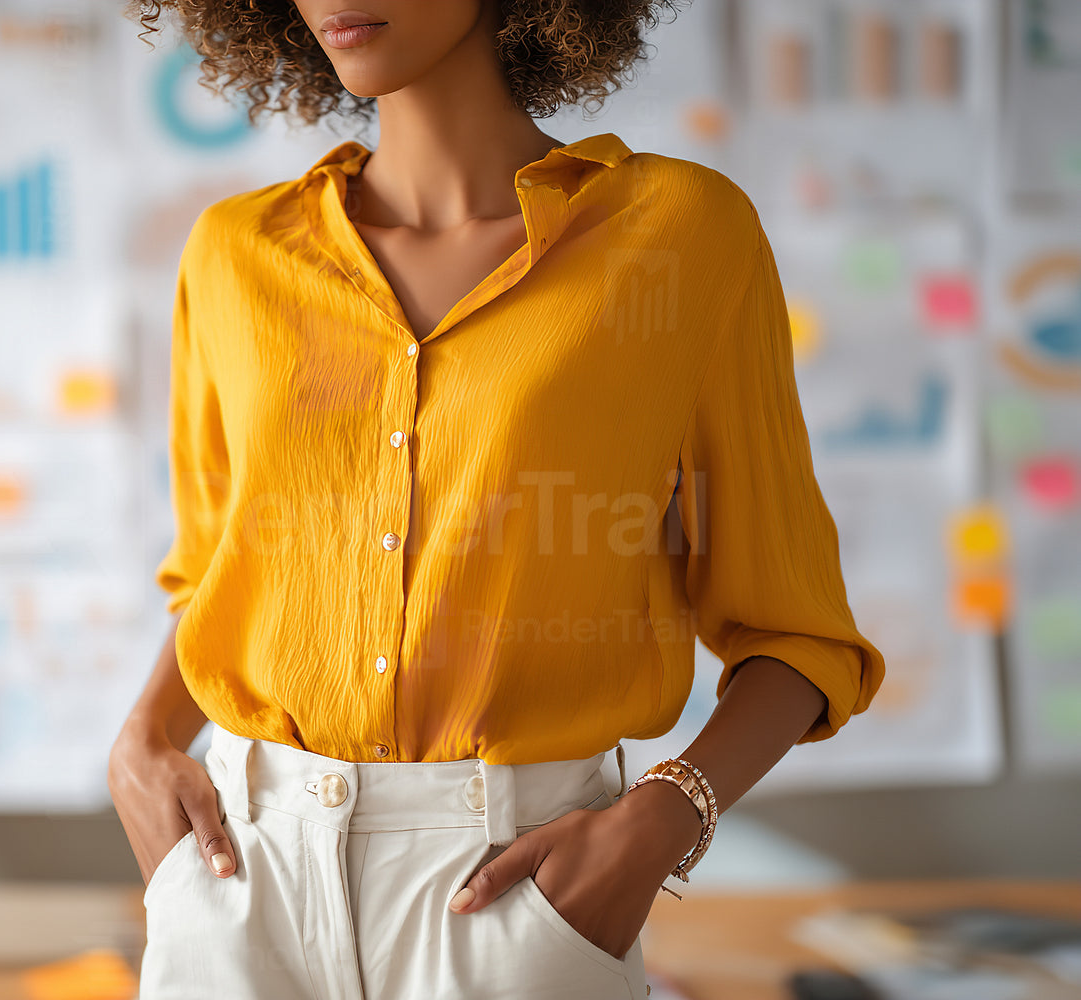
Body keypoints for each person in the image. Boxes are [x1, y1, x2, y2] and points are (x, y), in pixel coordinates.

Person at [109, 2, 886, 998]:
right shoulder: (233, 253)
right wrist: (140, 740)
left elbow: (798, 631)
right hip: (241, 879)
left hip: (515, 889)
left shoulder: (681, 237)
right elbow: (221, 573)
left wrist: (663, 819)